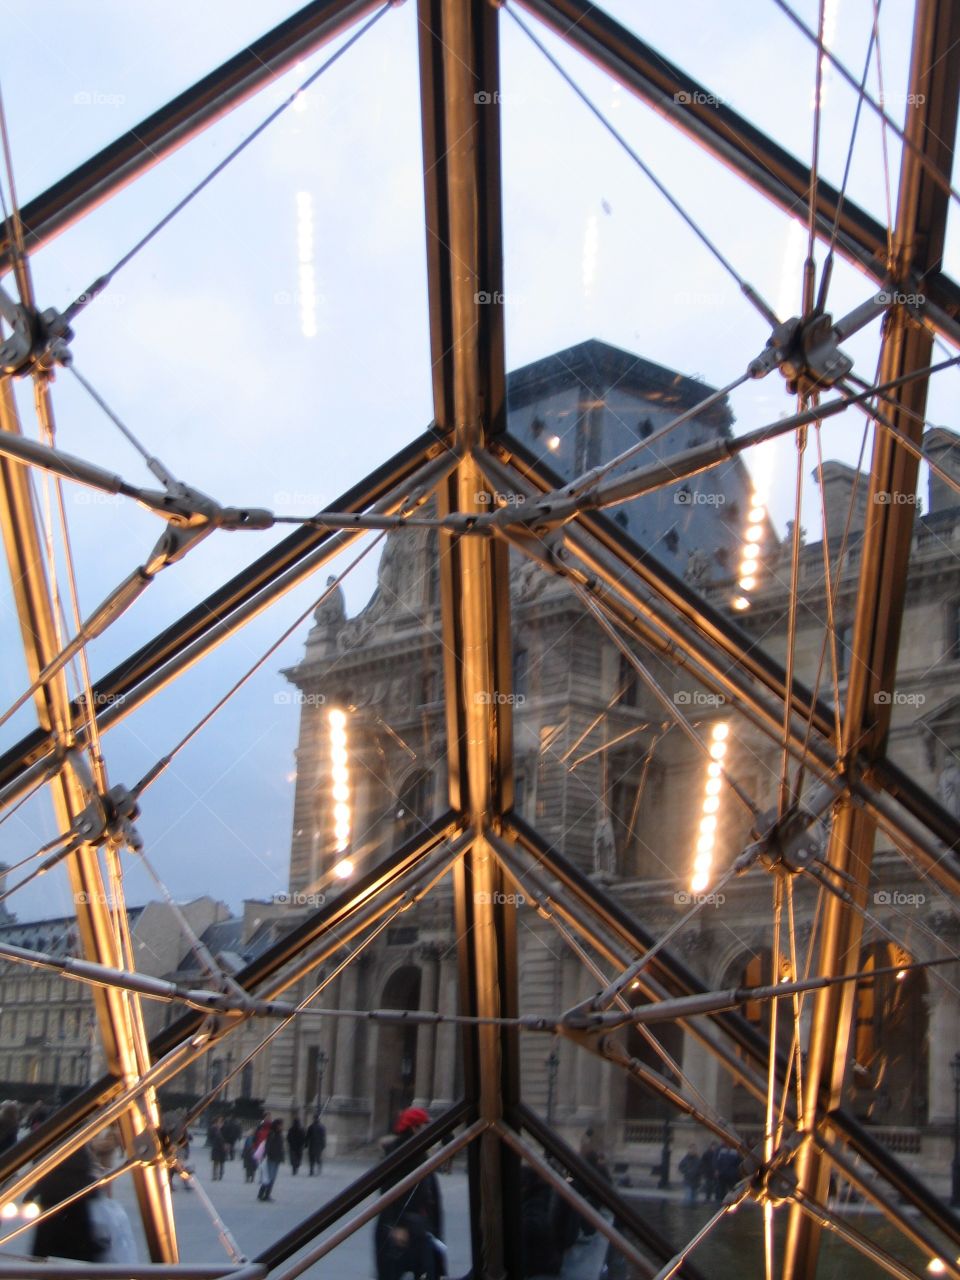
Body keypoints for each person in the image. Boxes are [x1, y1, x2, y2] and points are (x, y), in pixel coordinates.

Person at [374, 1107, 445, 1280]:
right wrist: (395, 1226)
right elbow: (387, 1193)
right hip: (402, 1227)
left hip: (418, 1226)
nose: (427, 1132)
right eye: (423, 1126)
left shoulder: (418, 1153)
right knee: (397, 1270)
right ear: (414, 1128)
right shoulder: (401, 1155)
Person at [28, 1146, 106, 1262]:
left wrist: (35, 1190)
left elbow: (42, 1169)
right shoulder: (75, 1143)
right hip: (74, 1202)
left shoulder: (51, 1142)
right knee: (75, 1247)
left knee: (49, 1246)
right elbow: (83, 1166)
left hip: (53, 1203)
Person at [257, 1118, 285, 1202]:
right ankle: (263, 1194)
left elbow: (280, 1147)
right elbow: (268, 1146)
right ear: (277, 1126)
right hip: (271, 1158)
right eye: (281, 1125)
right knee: (269, 1177)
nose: (282, 1127)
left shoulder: (279, 1134)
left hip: (277, 1158)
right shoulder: (272, 1134)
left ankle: (266, 1194)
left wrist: (282, 1156)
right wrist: (265, 1155)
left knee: (272, 1178)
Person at [209, 1117, 227, 1182]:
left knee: (221, 1162)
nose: (220, 1124)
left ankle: (220, 1174)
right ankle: (215, 1175)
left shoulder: (223, 1129)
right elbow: (212, 1137)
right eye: (219, 1122)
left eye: (221, 1122)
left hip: (221, 1149)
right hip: (217, 1148)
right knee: (216, 1163)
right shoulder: (214, 1129)